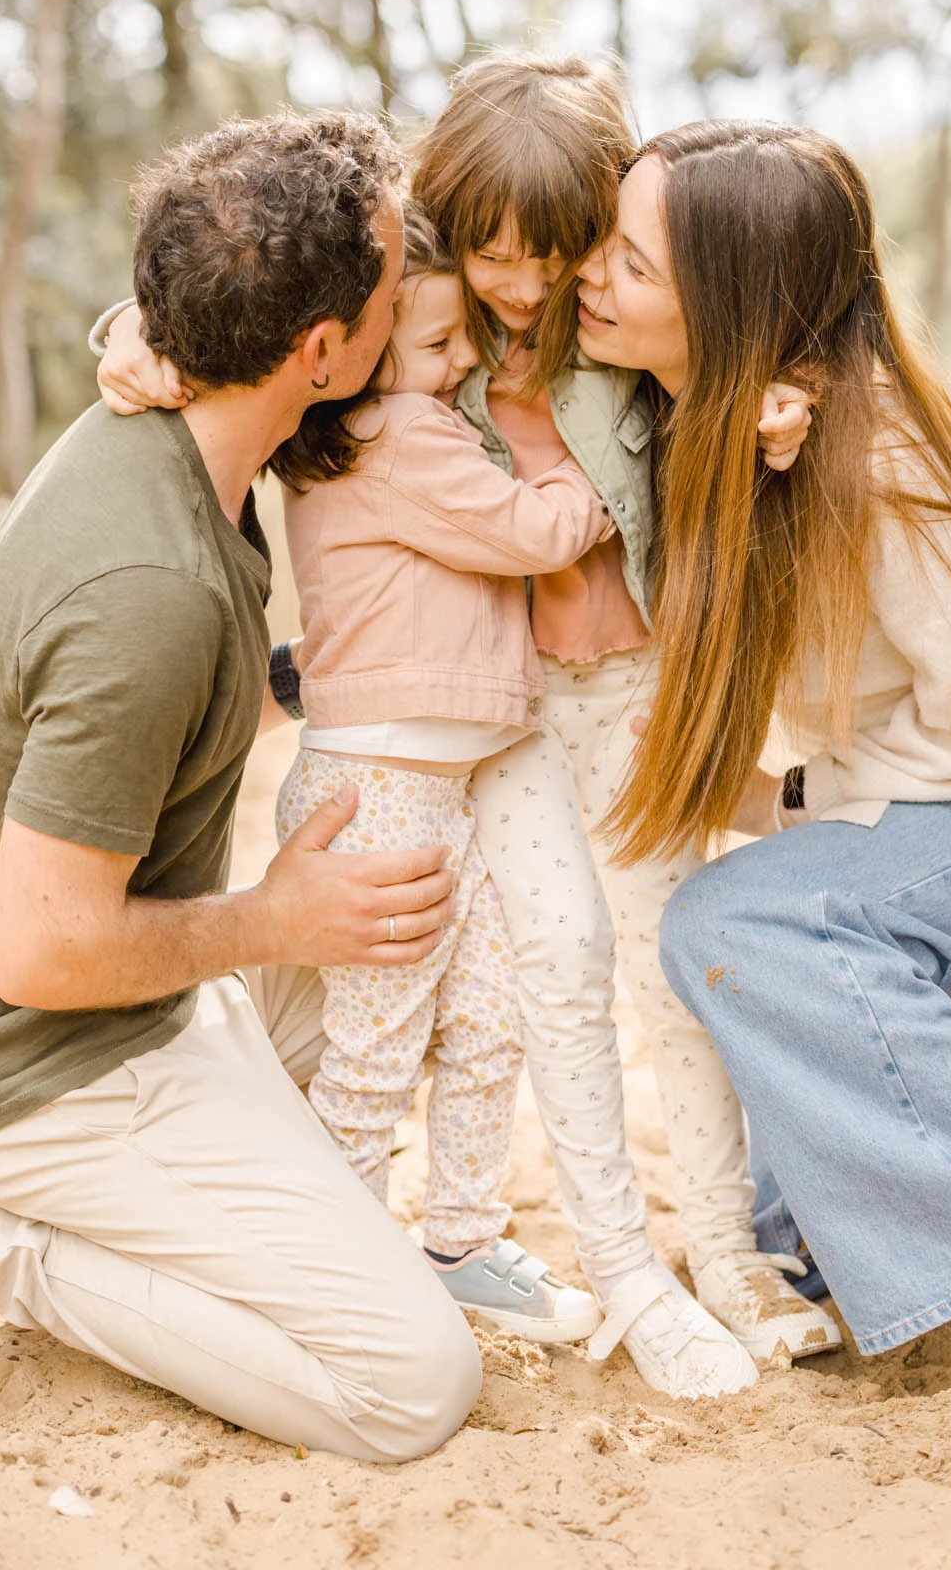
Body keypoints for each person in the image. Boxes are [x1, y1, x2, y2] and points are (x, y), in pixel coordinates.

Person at [96, 54, 830, 1395]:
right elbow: (248, 307)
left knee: (679, 970)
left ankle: (722, 1251)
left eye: (564, 253)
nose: (531, 288)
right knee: (553, 959)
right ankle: (621, 1269)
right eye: (497, 255)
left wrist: (782, 398)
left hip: (638, 684)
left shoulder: (624, 319)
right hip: (513, 708)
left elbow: (756, 324)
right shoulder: (420, 330)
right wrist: (134, 338)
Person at [0, 112, 485, 1460]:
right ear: (319, 350)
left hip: (124, 1007)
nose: (411, 276)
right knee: (412, 1386)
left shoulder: (173, 402)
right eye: (388, 278)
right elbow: (43, 951)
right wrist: (273, 925)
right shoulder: (148, 596)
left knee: (369, 947)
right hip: (18, 1065)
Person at [572, 115, 951, 1469]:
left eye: (629, 260)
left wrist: (794, 802)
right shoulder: (708, 411)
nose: (592, 274)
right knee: (805, 1222)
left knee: (740, 928)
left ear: (730, 299)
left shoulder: (872, 459)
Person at [273, 202, 606, 1341]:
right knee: (374, 1052)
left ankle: (461, 1236)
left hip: (431, 787)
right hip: (382, 793)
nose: (461, 359)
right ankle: (337, 1268)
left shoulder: (393, 424)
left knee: (485, 1016)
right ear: (356, 357)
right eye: (434, 345)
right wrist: (602, 481)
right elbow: (530, 532)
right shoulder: (393, 433)